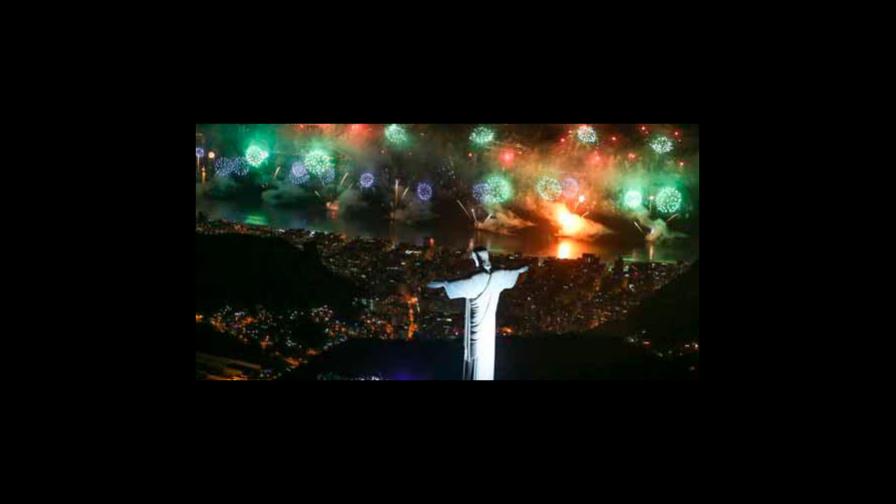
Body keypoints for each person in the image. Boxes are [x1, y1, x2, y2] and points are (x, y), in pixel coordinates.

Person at [427, 247, 528, 380]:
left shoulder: (476, 279)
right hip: (489, 328)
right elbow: (518, 272)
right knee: (486, 357)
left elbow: (447, 285)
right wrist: (522, 268)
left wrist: (438, 284)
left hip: (477, 329)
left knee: (475, 358)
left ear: (476, 260)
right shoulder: (499, 275)